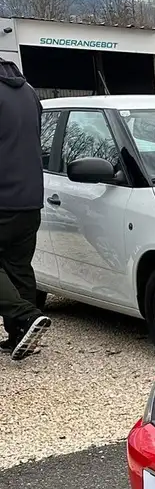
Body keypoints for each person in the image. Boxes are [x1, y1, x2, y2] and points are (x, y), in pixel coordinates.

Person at [0, 58, 51, 361]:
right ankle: (20, 333)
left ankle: (26, 315)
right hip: (30, 199)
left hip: (2, 197)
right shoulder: (29, 91)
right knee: (18, 266)